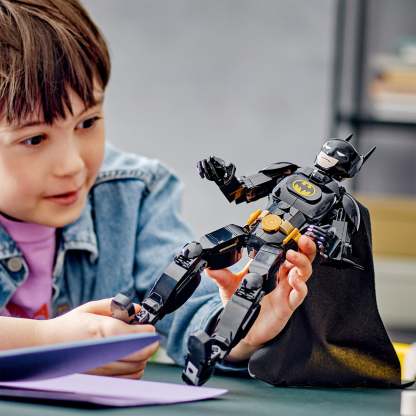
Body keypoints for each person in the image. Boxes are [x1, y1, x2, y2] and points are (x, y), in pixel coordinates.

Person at [0, 0, 315, 379]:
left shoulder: (134, 196)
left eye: (88, 122)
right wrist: (47, 343)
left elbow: (192, 312)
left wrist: (241, 327)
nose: (72, 164)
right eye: (34, 138)